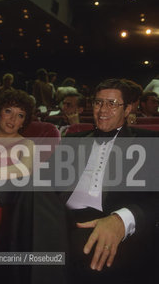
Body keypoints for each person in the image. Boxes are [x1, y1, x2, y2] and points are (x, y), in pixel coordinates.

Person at [61, 78, 159, 284]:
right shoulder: (73, 140)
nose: (103, 109)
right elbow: (41, 179)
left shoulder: (148, 142)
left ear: (127, 109)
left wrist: (121, 219)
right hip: (60, 217)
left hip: (109, 217)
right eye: (98, 102)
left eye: (112, 104)